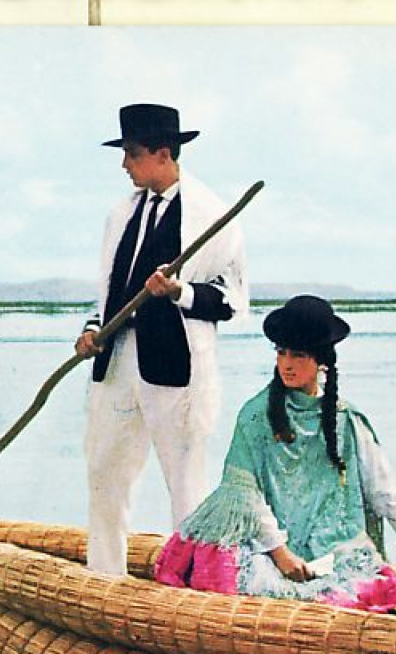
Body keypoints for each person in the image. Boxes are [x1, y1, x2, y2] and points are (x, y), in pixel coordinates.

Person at [154, 295, 396, 610]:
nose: (287, 364)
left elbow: (382, 488)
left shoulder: (346, 419)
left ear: (321, 361)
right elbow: (245, 494)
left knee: (381, 584)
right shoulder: (255, 415)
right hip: (264, 539)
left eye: (299, 355)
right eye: (281, 353)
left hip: (331, 542)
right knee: (223, 575)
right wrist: (280, 552)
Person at [74, 103, 249, 577]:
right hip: (118, 361)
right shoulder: (121, 214)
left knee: (185, 481)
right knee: (104, 471)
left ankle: (191, 586)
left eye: (132, 153)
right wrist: (92, 330)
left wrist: (180, 291)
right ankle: (104, 576)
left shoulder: (212, 214)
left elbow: (232, 301)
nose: (124, 164)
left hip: (176, 366)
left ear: (162, 153)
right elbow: (109, 292)